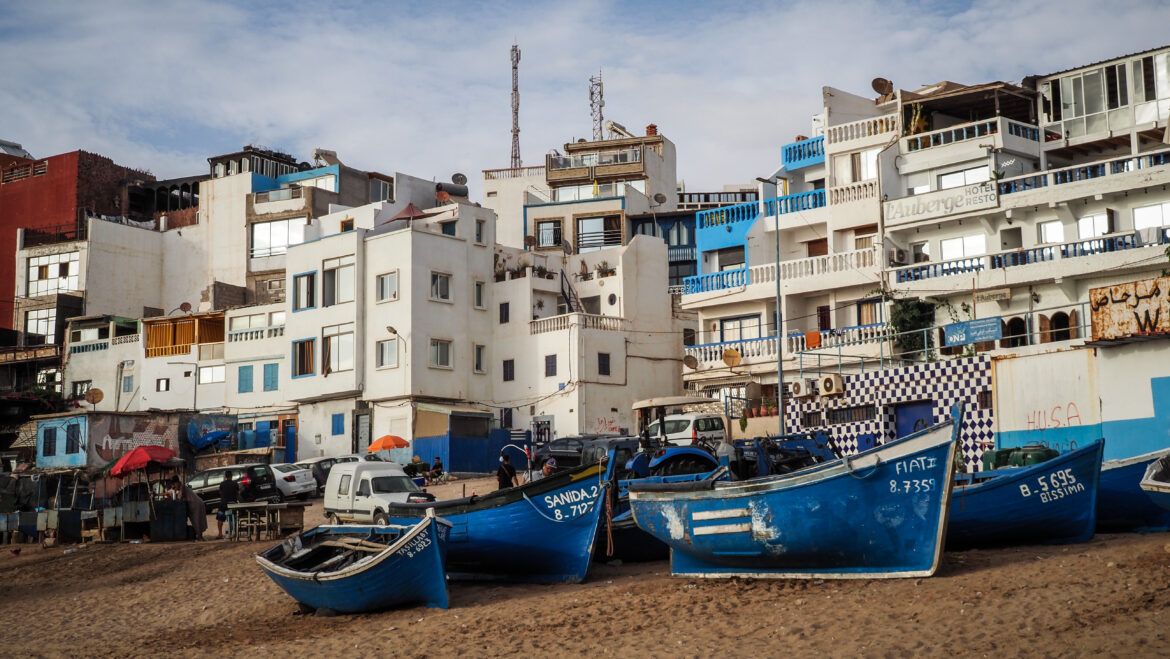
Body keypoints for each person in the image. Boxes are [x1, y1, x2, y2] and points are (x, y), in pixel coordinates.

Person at [216, 471, 239, 539]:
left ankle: (220, 534)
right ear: (231, 476)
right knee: (232, 519)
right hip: (232, 504)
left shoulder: (222, 484)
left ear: (225, 476)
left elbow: (220, 492)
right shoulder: (235, 484)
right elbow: (238, 493)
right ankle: (232, 533)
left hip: (223, 504)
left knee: (220, 519)